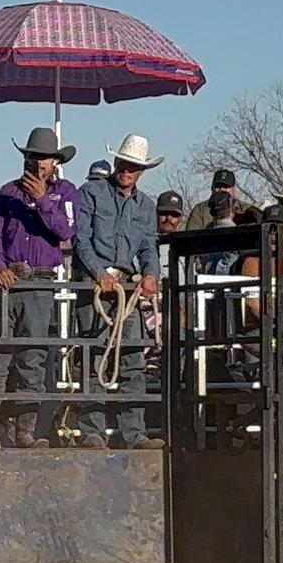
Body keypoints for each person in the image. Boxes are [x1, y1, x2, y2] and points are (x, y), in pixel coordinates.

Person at [0, 127, 78, 450]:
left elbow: (67, 230)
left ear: (54, 162)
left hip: (42, 281)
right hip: (10, 280)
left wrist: (42, 201)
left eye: (42, 158)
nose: (36, 164)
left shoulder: (66, 193)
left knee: (32, 359)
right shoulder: (6, 193)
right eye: (32, 157)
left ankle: (24, 431)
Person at [73, 134, 165, 450]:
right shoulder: (91, 193)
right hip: (94, 288)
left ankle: (134, 433)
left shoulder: (146, 207)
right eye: (124, 164)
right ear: (116, 163)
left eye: (133, 166)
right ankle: (92, 431)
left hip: (126, 287)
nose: (127, 170)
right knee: (94, 355)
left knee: (132, 360)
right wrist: (98, 273)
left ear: (141, 171)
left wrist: (151, 273)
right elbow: (80, 240)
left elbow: (148, 246)